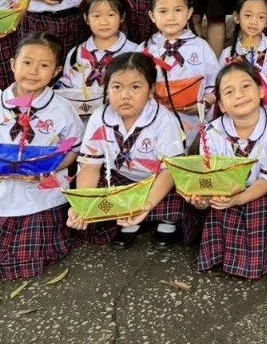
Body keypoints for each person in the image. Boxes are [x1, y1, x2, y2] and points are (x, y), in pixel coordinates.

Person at [0, 33, 82, 280]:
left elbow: (74, 150)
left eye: (44, 65)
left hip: (43, 194)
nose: (33, 71)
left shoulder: (62, 109)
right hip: (4, 193)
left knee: (29, 257)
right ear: (12, 64)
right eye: (27, 62)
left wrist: (48, 169)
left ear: (57, 71)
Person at [191, 61, 267, 280]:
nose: (240, 95)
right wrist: (204, 199)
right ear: (222, 105)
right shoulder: (212, 131)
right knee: (220, 206)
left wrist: (238, 199)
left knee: (258, 208)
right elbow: (214, 178)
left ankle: (258, 259)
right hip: (229, 187)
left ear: (261, 91)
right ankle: (223, 257)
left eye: (246, 86)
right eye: (229, 91)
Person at [68, 51, 192, 249]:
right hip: (121, 179)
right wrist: (83, 205)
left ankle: (164, 220)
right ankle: (130, 217)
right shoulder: (100, 116)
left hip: (156, 181)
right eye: (116, 87)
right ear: (107, 89)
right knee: (96, 188)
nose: (125, 95)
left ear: (151, 90)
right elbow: (90, 166)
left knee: (181, 190)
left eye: (135, 87)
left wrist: (146, 205)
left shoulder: (164, 119)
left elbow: (170, 171)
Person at [141, 0, 220, 144]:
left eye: (178, 10)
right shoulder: (144, 50)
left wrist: (205, 102)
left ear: (189, 13)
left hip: (194, 119)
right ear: (152, 16)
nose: (170, 17)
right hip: (156, 119)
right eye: (163, 11)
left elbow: (215, 83)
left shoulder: (201, 47)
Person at [57, 0, 140, 120]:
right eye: (96, 15)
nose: (104, 22)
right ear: (86, 18)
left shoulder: (134, 52)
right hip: (82, 124)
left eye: (111, 15)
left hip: (121, 121)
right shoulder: (76, 54)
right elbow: (67, 90)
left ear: (122, 16)